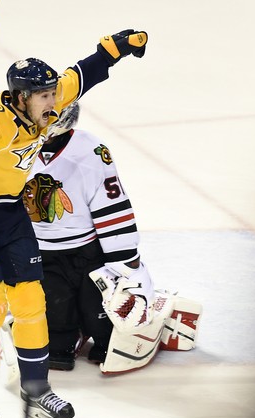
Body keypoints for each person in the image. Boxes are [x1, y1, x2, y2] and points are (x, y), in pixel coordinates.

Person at [0, 29, 148, 418]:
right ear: (22, 97)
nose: (54, 102)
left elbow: (83, 74)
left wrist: (117, 48)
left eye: (52, 94)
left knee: (31, 300)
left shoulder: (46, 100)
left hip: (8, 211)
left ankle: (36, 388)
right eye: (45, 96)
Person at [22, 101, 155, 371]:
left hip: (88, 254)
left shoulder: (91, 151)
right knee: (56, 330)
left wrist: (128, 263)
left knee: (104, 320)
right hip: (41, 254)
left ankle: (97, 332)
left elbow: (112, 207)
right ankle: (66, 335)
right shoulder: (14, 149)